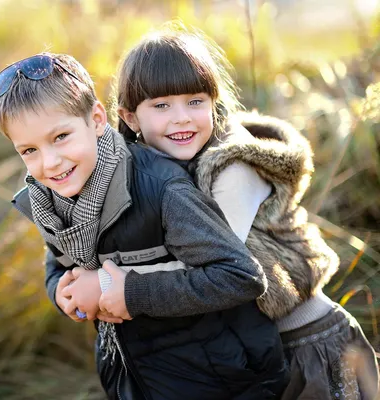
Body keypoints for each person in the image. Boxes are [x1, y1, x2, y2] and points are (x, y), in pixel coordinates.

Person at [0, 52, 288, 399]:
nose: (50, 162)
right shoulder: (48, 197)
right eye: (29, 150)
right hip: (131, 374)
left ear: (97, 119)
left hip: (216, 378)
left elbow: (240, 277)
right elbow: (57, 260)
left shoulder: (161, 189)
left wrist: (128, 293)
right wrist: (61, 291)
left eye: (61, 137)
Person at [108, 25, 379, 400]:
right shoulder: (154, 170)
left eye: (195, 101)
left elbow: (213, 267)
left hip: (309, 342)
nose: (182, 117)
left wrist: (117, 287)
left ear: (214, 102)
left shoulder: (235, 168)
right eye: (161, 105)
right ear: (131, 117)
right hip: (251, 349)